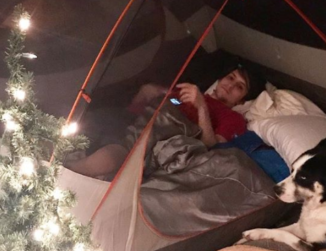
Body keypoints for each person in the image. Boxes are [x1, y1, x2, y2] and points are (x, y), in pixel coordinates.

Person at [66, 66, 256, 180]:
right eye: (230, 77)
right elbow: (166, 101)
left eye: (239, 86)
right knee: (96, 118)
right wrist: (158, 93)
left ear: (242, 100)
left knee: (128, 147)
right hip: (144, 114)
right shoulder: (190, 92)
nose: (230, 85)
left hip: (173, 125)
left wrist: (201, 107)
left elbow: (212, 144)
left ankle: (69, 171)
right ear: (221, 78)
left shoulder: (233, 118)